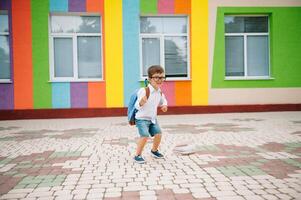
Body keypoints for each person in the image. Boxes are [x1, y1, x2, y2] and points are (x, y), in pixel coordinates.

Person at [134, 65, 168, 164]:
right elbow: (136, 106)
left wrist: (164, 105)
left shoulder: (159, 92)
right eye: (157, 77)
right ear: (149, 79)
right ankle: (137, 155)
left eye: (162, 77)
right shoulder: (144, 91)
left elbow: (163, 100)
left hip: (152, 118)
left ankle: (154, 151)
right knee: (144, 135)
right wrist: (141, 102)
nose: (160, 80)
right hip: (141, 119)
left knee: (158, 134)